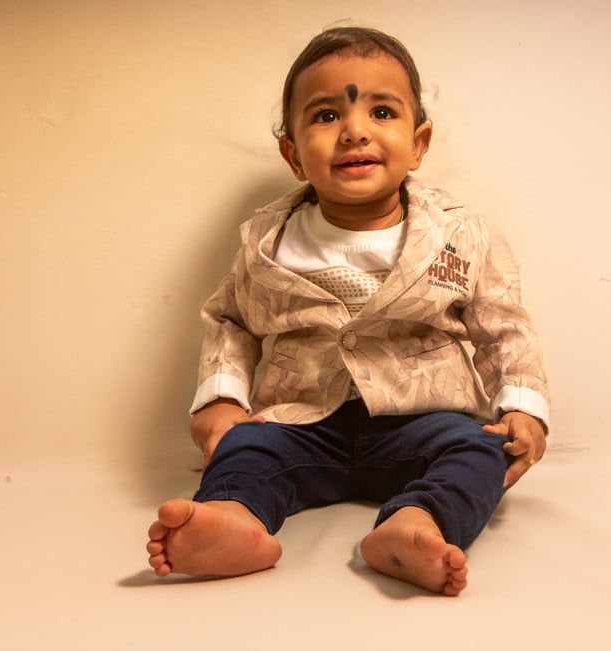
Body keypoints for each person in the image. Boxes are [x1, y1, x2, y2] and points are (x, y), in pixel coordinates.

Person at [146, 26, 549, 597]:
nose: (355, 131)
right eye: (326, 116)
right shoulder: (267, 241)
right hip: (303, 423)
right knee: (244, 448)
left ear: (418, 143)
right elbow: (230, 319)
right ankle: (237, 519)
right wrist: (220, 399)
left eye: (382, 111)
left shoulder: (460, 234)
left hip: (424, 420)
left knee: (478, 448)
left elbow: (504, 325)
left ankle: (419, 522)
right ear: (291, 153)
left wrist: (523, 408)